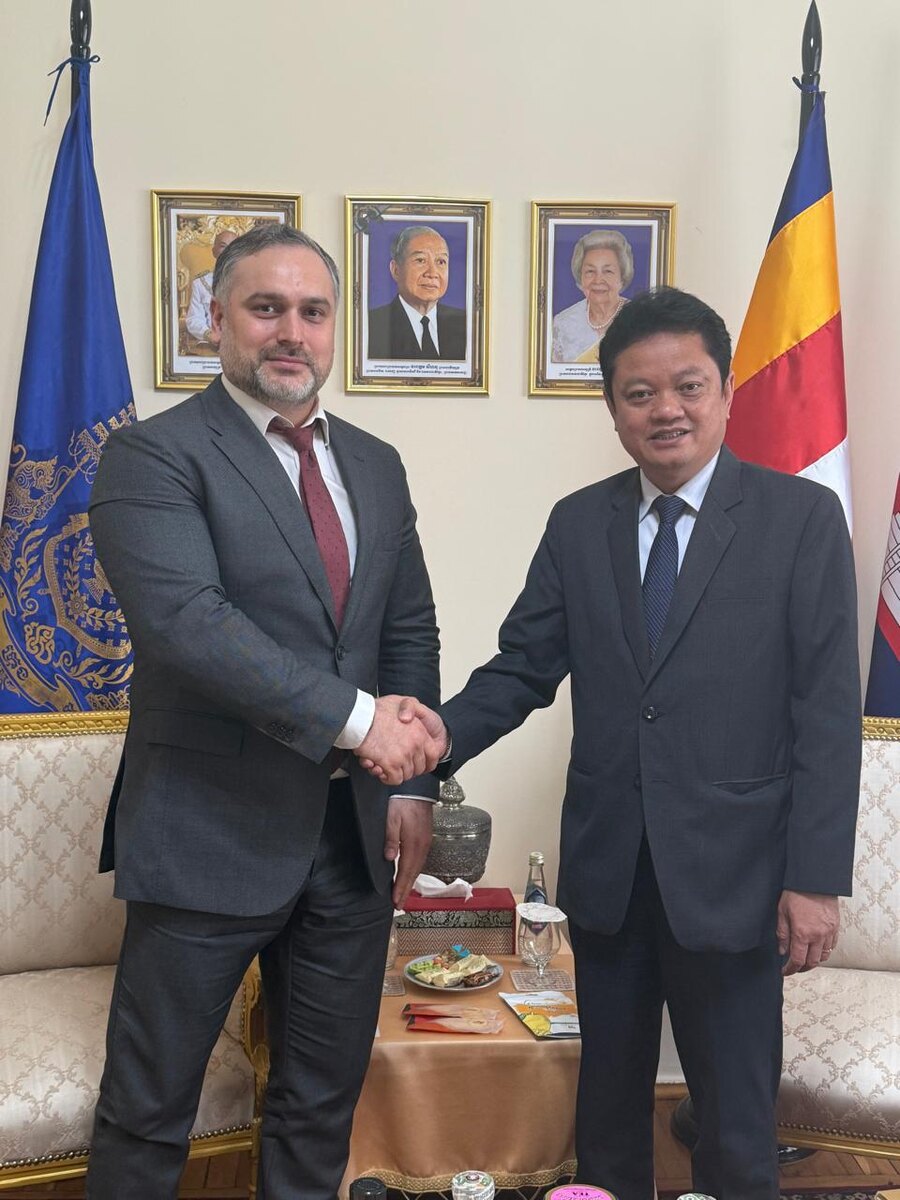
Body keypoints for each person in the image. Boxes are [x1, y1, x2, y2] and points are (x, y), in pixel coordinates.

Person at [387, 288, 861, 1199]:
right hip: (610, 872)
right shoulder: (580, 523)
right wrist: (431, 742)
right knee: (605, 1115)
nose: (665, 410)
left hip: (738, 875)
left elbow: (828, 714)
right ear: (613, 409)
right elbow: (522, 668)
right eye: (639, 394)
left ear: (726, 391)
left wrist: (814, 880)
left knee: (734, 1129)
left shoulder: (799, 520)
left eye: (688, 386)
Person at [85, 223, 445, 1199]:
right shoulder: (152, 456)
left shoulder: (375, 464)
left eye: (312, 311)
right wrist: (365, 725)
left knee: (319, 1105)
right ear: (215, 318)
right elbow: (190, 628)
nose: (292, 330)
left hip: (350, 841)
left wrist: (416, 785)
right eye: (266, 307)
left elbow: (406, 628)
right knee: (148, 1111)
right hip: (204, 834)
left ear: (334, 329)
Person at [367, 225, 467, 360]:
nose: (432, 273)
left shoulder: (466, 324)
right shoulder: (371, 326)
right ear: (396, 270)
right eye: (420, 260)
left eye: (441, 261)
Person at [551, 228, 634, 363]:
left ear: (622, 277)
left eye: (607, 271)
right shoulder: (562, 324)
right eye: (590, 271)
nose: (598, 280)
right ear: (581, 277)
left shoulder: (638, 320)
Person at [184, 227, 238, 344]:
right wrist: (209, 335)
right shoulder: (201, 283)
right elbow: (194, 319)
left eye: (233, 247)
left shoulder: (250, 282)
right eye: (223, 246)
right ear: (214, 251)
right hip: (211, 345)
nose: (228, 251)